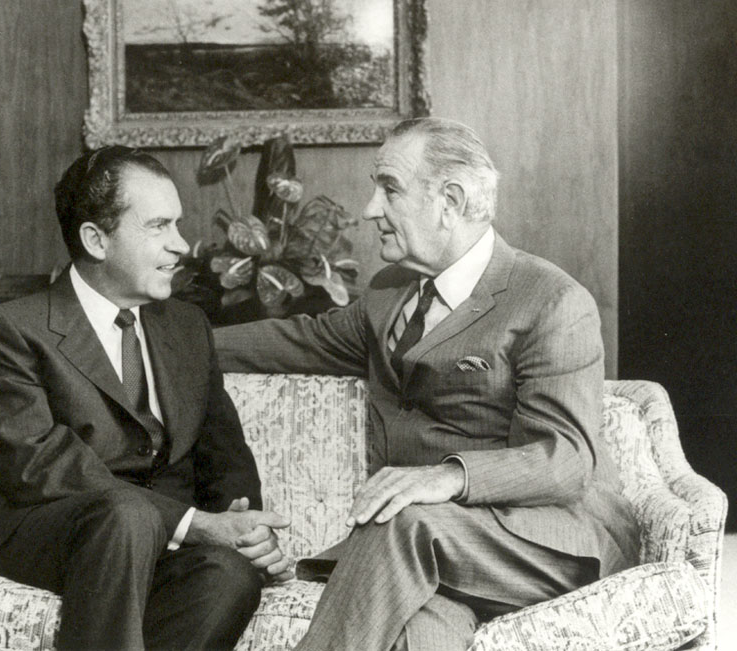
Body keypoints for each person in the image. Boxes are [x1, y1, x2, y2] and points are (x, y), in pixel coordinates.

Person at [214, 118, 639, 651]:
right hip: (438, 548)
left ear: (451, 200)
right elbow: (301, 339)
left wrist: (446, 479)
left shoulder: (551, 301)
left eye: (389, 188)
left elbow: (565, 459)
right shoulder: (391, 292)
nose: (370, 209)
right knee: (422, 625)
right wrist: (168, 340)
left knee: (402, 521)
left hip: (548, 541)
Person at [0, 146, 292, 651]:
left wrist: (243, 526)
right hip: (50, 531)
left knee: (231, 574)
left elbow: (225, 453)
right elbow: (37, 466)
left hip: (161, 541)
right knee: (125, 516)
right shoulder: (12, 329)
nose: (181, 246)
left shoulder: (186, 326)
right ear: (95, 239)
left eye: (178, 225)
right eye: (159, 227)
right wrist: (196, 525)